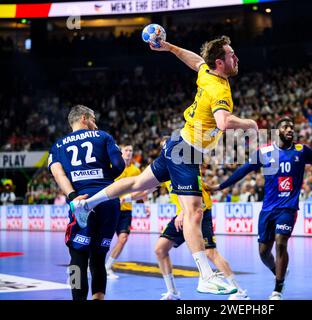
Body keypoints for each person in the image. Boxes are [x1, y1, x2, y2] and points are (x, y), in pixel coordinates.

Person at [69, 35, 258, 294]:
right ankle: (205, 275)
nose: (236, 57)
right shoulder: (219, 89)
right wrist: (250, 124)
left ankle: (86, 203)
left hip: (179, 144)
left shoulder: (209, 74)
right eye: (231, 54)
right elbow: (224, 123)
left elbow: (196, 61)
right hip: (186, 150)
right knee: (193, 212)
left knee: (138, 183)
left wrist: (169, 47)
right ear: (220, 62)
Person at [206, 117, 312, 300]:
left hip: (288, 207)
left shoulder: (302, 150)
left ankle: (278, 289)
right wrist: (219, 187)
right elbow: (242, 171)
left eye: (291, 127)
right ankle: (279, 272)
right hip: (268, 209)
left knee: (281, 242)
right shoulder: (264, 152)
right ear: (277, 130)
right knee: (263, 252)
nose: (290, 129)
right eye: (285, 126)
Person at [48, 105, 125, 300]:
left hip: (82, 201)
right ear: (84, 118)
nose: (95, 124)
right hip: (107, 200)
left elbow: (58, 173)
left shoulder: (58, 146)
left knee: (77, 259)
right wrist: (104, 181)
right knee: (99, 259)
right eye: (93, 119)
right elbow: (119, 165)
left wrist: (74, 197)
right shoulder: (103, 136)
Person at [155, 177, 248, 300]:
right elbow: (146, 186)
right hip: (181, 215)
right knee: (160, 249)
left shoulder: (185, 163)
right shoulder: (164, 168)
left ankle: (240, 291)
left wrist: (183, 213)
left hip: (199, 212)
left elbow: (196, 194)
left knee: (211, 253)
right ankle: (173, 293)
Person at [105, 144, 147, 279]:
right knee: (103, 239)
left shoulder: (135, 170)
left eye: (131, 150)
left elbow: (142, 188)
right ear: (121, 152)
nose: (129, 152)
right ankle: (91, 263)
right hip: (111, 208)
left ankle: (107, 267)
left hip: (126, 210)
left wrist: (146, 204)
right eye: (126, 150)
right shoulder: (114, 167)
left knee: (123, 238)